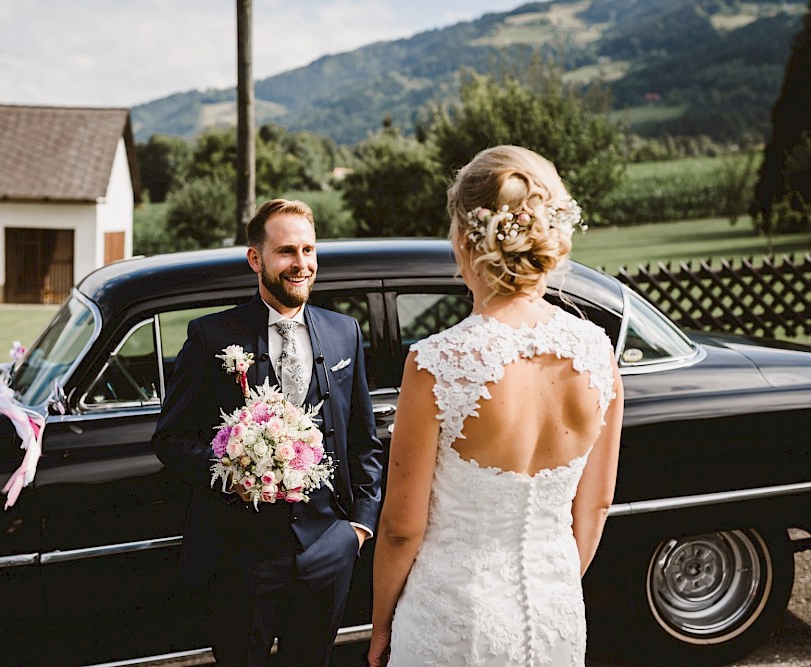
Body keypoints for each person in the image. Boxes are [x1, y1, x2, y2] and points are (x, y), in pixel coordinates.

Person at [367, 145, 625, 666]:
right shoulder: (598, 351)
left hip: (455, 619)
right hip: (555, 612)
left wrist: (380, 625)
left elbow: (400, 528)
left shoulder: (437, 364)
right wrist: (552, 586)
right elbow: (594, 506)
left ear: (466, 238)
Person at [154, 199, 384, 667]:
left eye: (308, 250)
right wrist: (234, 464)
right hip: (241, 556)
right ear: (255, 259)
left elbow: (365, 440)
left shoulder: (345, 333)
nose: (301, 264)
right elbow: (171, 439)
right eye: (286, 252)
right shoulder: (211, 337)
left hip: (328, 546)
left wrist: (358, 528)